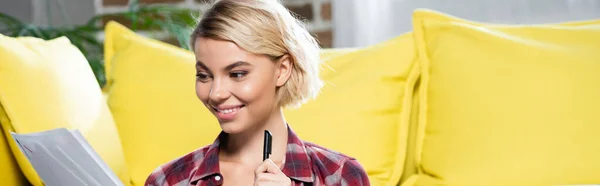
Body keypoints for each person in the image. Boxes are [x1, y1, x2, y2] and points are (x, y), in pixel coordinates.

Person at [144, 0, 370, 185]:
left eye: (237, 74)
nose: (216, 93)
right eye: (204, 75)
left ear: (282, 70)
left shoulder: (340, 176)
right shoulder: (168, 180)